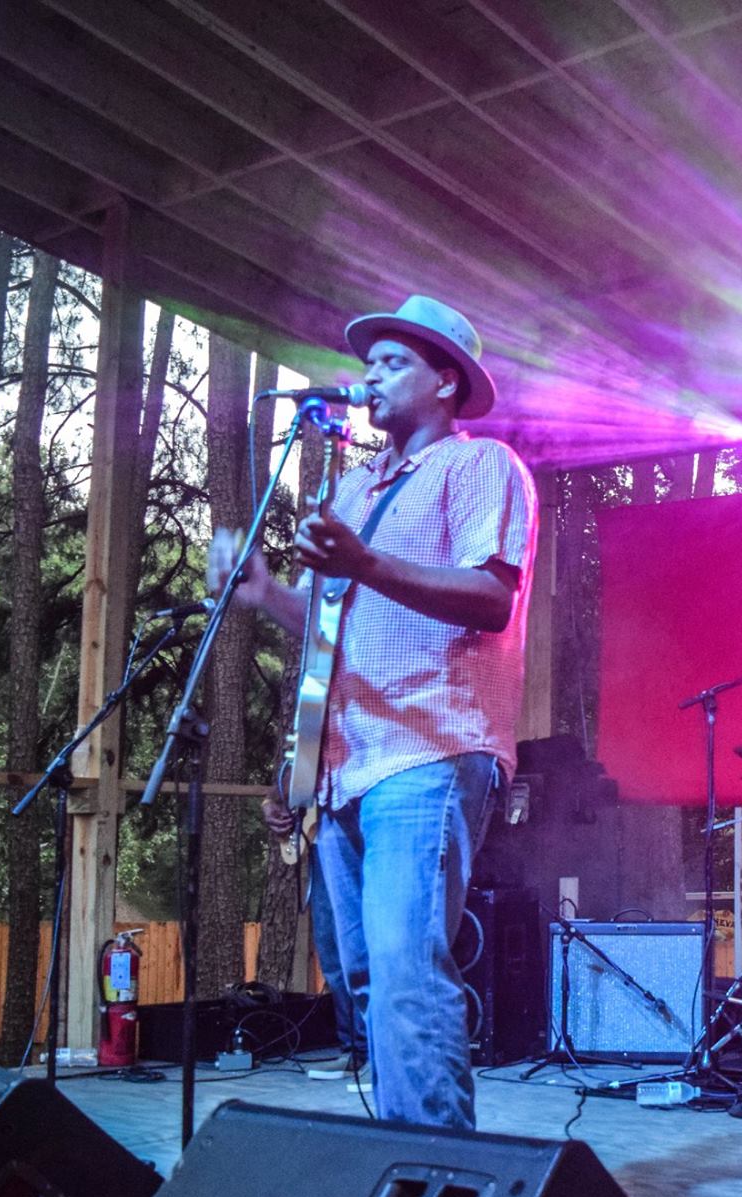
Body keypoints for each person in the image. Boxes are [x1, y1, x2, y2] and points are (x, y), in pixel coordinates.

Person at [225, 295, 536, 1129]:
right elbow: (329, 622)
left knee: (405, 971)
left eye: (395, 362)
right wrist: (267, 593)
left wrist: (365, 561)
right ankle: (400, 1151)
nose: (372, 375)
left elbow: (491, 597)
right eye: (370, 363)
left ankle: (440, 1170)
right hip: (342, 767)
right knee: (362, 981)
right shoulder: (356, 488)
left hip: (427, 750)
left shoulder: (483, 466)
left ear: (446, 381)